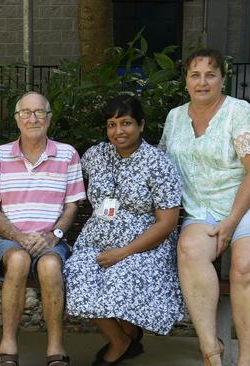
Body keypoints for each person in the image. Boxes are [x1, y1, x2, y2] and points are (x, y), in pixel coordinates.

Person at [160, 49, 250, 366]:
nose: (202, 82)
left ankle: (246, 359)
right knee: (189, 249)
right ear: (186, 80)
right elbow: (162, 168)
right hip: (202, 205)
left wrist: (232, 221)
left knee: (243, 267)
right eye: (195, 75)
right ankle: (211, 352)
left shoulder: (239, 111)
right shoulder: (175, 117)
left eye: (210, 74)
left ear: (222, 79)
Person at [65, 95, 185, 366]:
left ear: (141, 125)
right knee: (76, 274)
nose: (118, 131)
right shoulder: (95, 155)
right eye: (111, 124)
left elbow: (167, 223)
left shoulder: (158, 163)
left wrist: (122, 252)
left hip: (143, 245)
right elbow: (63, 173)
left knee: (121, 277)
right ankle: (121, 338)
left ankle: (126, 335)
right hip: (95, 242)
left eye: (126, 123)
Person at [0, 92, 86, 366]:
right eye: (25, 112)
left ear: (49, 118)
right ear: (17, 119)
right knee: (18, 259)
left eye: (40, 112)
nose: (33, 118)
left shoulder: (67, 155)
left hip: (51, 239)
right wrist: (18, 236)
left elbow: (72, 207)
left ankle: (55, 346)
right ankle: (8, 344)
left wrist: (54, 236)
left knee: (50, 266)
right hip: (9, 238)